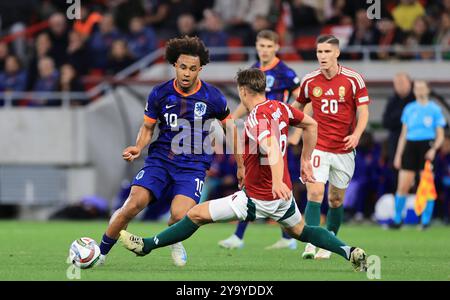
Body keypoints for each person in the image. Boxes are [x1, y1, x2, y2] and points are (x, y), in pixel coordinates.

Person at [119, 68, 368, 272]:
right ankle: (350, 252)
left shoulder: (255, 118)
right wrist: (305, 159)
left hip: (259, 198)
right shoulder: (279, 107)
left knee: (195, 214)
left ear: (242, 91)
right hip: (284, 197)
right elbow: (310, 124)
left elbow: (271, 147)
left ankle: (147, 246)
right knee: (302, 231)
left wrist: (276, 181)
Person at [96, 36, 243, 267]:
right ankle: (100, 253)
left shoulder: (213, 97)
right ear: (174, 64)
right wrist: (138, 146)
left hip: (193, 165)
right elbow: (147, 128)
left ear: (200, 69)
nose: (187, 73)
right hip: (161, 160)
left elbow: (231, 130)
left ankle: (175, 240)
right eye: (183, 67)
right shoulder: (159, 93)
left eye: (193, 69)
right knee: (132, 205)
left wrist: (241, 165)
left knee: (179, 215)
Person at [218, 29, 302, 250]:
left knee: (276, 182)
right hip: (257, 131)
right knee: (253, 180)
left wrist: (295, 130)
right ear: (256, 46)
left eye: (268, 46)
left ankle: (288, 236)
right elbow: (248, 101)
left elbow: (303, 99)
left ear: (276, 47)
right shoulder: (255, 70)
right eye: (261, 45)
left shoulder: (284, 71)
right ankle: (282, 237)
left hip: (274, 135)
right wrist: (231, 118)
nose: (264, 50)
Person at [291, 34, 370, 260]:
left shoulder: (353, 79)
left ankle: (329, 243)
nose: (322, 56)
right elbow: (298, 106)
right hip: (319, 146)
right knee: (315, 192)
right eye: (319, 52)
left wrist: (356, 135)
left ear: (337, 53)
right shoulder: (310, 80)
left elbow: (363, 111)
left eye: (327, 52)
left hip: (344, 149)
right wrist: (287, 123)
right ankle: (311, 244)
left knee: (335, 199)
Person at [391, 80, 446, 230]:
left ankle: (425, 221)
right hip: (410, 146)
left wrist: (434, 148)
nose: (419, 90)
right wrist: (398, 155)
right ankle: (397, 220)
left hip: (426, 145)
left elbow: (440, 135)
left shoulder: (434, 109)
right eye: (416, 88)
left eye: (422, 87)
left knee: (427, 186)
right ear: (414, 91)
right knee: (403, 185)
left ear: (428, 90)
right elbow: (403, 134)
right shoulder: (409, 108)